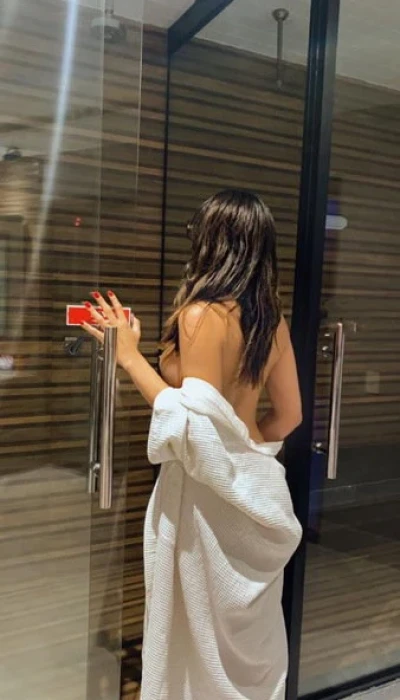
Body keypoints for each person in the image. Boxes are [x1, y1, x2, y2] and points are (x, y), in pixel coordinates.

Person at [82, 189, 302, 700]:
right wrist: (244, 457)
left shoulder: (201, 315)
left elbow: (194, 429)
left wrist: (130, 356)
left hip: (209, 501)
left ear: (211, 241)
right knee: (243, 647)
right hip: (248, 492)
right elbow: (288, 416)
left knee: (199, 650)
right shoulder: (272, 322)